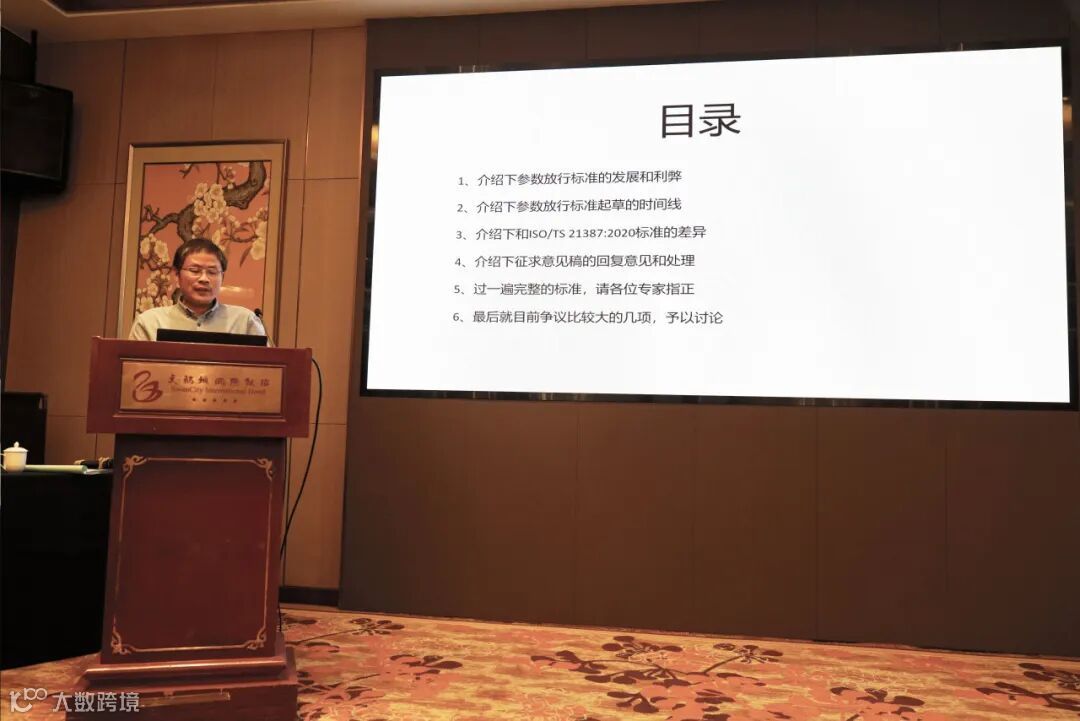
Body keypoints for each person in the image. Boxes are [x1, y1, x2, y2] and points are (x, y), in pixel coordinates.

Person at [129, 238, 267, 341]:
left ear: (222, 277)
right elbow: (134, 369)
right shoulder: (149, 323)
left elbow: (265, 369)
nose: (204, 279)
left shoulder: (245, 322)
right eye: (195, 270)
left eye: (212, 272)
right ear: (176, 275)